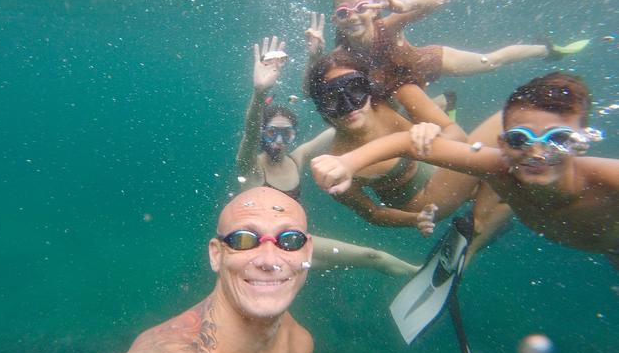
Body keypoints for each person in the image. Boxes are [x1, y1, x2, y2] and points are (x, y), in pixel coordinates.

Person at [79, 187, 377, 353]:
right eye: (244, 240)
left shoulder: (297, 343)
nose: (269, 261)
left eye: (288, 240)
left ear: (307, 251)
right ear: (216, 254)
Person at [311, 72, 619, 266]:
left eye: (559, 139)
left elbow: (409, 140)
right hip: (436, 196)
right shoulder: (499, 164)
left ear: (583, 142)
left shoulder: (606, 178)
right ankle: (475, 234)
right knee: (495, 175)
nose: (537, 153)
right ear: (502, 142)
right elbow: (404, 145)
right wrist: (347, 163)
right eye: (519, 139)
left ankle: (476, 231)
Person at [236, 36, 419, 276]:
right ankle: (420, 272)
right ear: (262, 134)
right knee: (373, 256)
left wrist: (316, 61)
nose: (279, 142)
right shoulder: (251, 167)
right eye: (271, 133)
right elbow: (249, 134)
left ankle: (419, 274)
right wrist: (259, 94)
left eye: (286, 134)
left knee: (365, 260)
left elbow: (340, 119)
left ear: (293, 135)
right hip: (261, 248)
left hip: (292, 243)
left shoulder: (295, 159)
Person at [306, 49, 502, 237]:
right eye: (332, 99)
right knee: (501, 131)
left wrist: (436, 136)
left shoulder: (397, 95)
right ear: (321, 108)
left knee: (510, 185)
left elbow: (457, 135)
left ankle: (478, 224)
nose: (348, 106)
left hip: (444, 171)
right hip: (426, 200)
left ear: (369, 86)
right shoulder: (335, 164)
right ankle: (478, 222)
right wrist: (417, 219)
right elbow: (372, 213)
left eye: (355, 89)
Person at [306, 0, 588, 92]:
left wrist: (406, 4)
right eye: (343, 12)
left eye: (362, 7)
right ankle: (444, 103)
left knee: (490, 62)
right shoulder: (340, 55)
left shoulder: (388, 25)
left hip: (424, 62)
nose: (353, 16)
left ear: (375, 9)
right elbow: (311, 91)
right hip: (395, 87)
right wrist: (314, 57)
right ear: (335, 19)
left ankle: (545, 50)